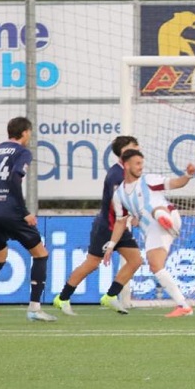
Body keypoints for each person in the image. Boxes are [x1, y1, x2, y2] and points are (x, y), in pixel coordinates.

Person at [0, 116, 55, 324]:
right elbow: (15, 177)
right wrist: (23, 211)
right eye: (30, 133)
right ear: (25, 132)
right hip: (11, 211)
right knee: (41, 254)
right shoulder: (22, 152)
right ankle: (34, 308)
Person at [53, 135, 142, 316]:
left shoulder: (129, 172)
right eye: (134, 146)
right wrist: (133, 214)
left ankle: (111, 296)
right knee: (92, 263)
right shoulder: (116, 175)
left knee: (135, 261)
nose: (138, 149)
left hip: (120, 227)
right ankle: (62, 298)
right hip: (108, 227)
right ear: (124, 151)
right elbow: (118, 202)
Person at [102, 149, 195, 317]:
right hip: (153, 230)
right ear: (126, 165)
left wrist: (188, 175)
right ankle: (183, 305)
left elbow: (176, 183)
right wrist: (111, 246)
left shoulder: (148, 180)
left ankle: (162, 217)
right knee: (155, 266)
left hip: (169, 215)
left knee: (155, 209)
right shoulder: (119, 195)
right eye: (137, 164)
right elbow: (120, 222)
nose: (141, 167)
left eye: (142, 163)